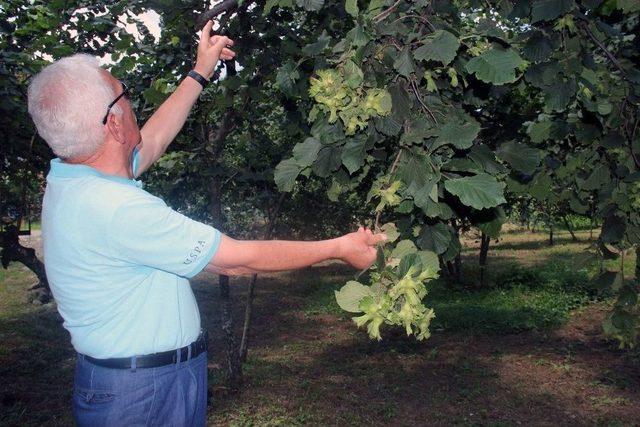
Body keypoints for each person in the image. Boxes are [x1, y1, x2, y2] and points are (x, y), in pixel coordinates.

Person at [27, 20, 386, 427]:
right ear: (113, 122)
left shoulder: (74, 176)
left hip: (134, 380)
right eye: (123, 93)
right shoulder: (116, 208)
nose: (131, 102)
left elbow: (153, 139)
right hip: (143, 394)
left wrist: (200, 72)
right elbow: (236, 260)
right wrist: (338, 248)